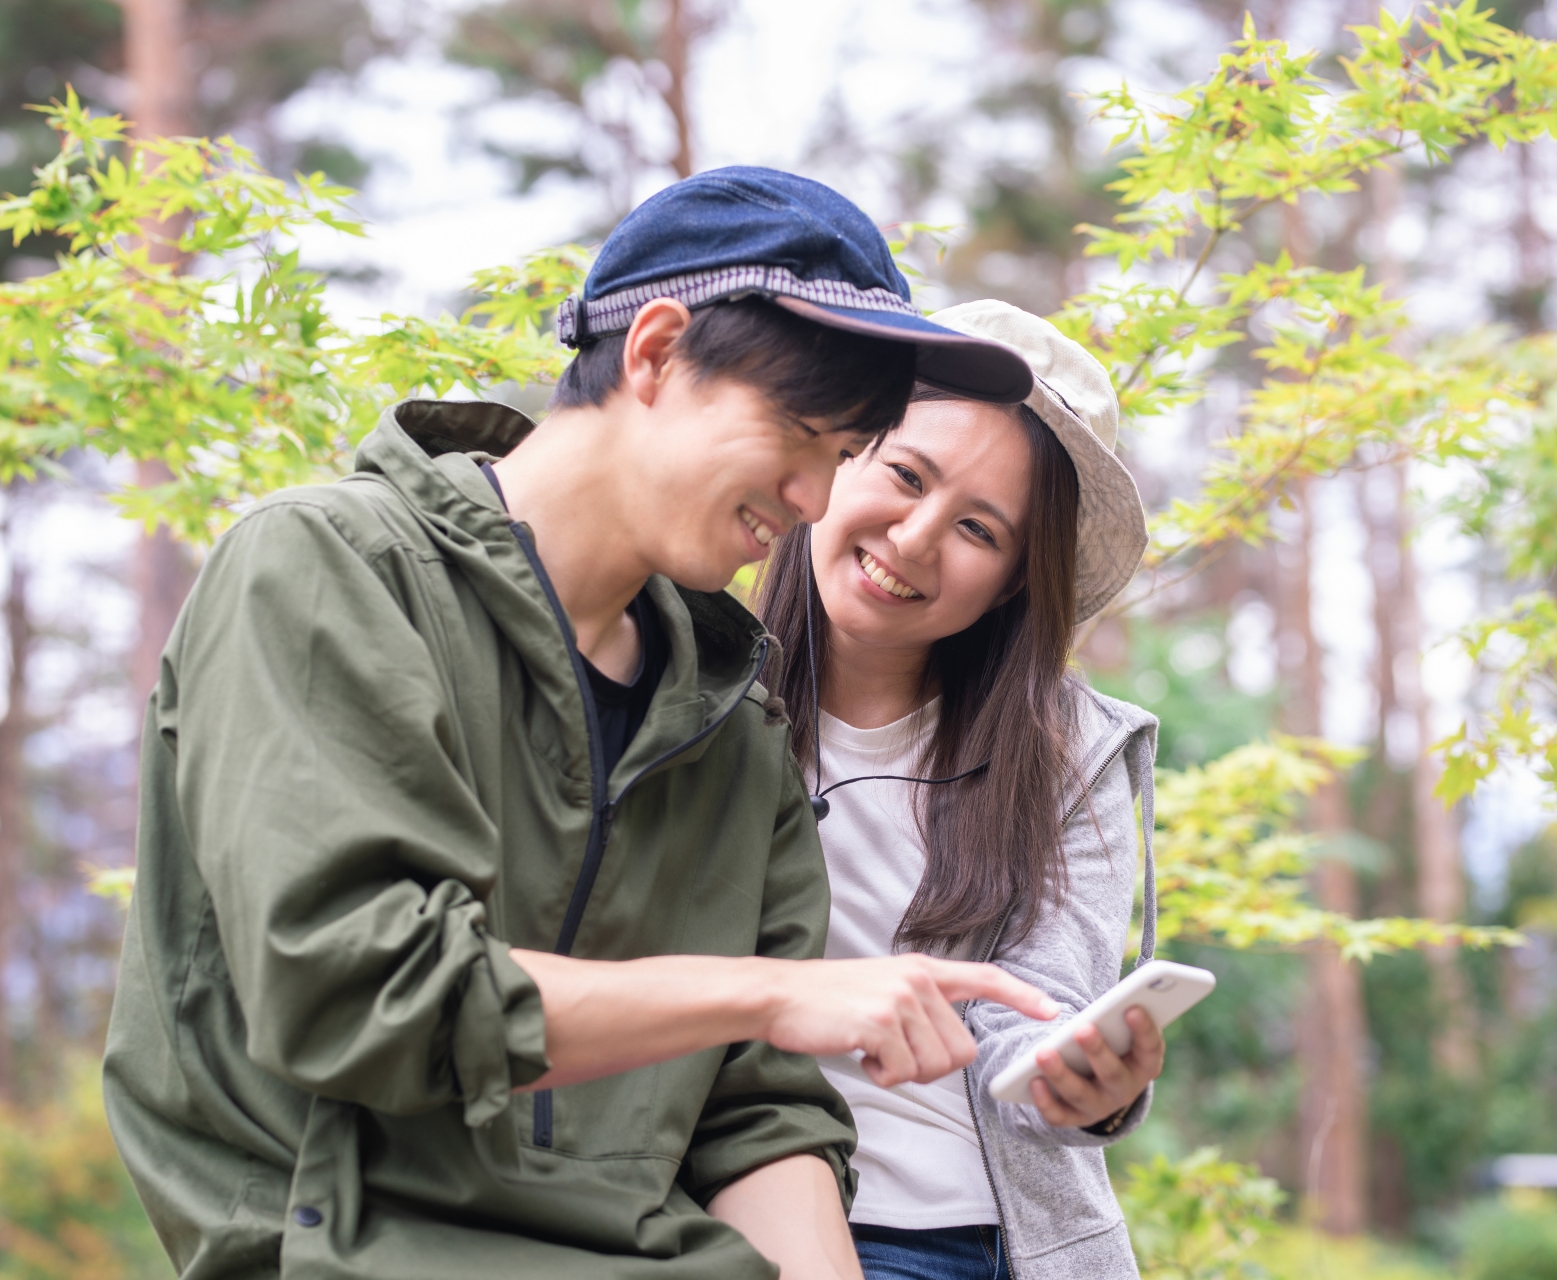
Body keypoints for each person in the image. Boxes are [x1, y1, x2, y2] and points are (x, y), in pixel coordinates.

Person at [102, 169, 1062, 1280]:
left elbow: (758, 1118)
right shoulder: (329, 570)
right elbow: (363, 996)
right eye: (798, 431)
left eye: (843, 456)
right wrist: (776, 991)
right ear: (655, 351)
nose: (811, 496)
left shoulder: (732, 727)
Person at [756, 300, 1164, 1280]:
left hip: (974, 1234)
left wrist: (1080, 1078)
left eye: (978, 528)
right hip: (736, 1205)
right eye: (905, 474)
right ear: (842, 452)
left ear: (1014, 582)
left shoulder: (1065, 751)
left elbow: (1043, 997)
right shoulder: (687, 690)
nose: (915, 536)